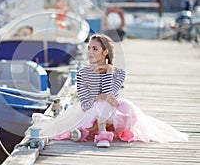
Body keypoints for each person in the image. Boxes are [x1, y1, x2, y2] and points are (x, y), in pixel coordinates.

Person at [26, 34, 188, 148]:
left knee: (126, 107)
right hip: (88, 112)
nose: (90, 52)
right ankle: (101, 133)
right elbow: (85, 103)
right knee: (100, 105)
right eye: (89, 48)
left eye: (95, 49)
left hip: (111, 112)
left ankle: (88, 132)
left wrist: (108, 72)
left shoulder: (118, 73)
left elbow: (113, 96)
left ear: (105, 53)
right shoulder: (83, 73)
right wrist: (102, 96)